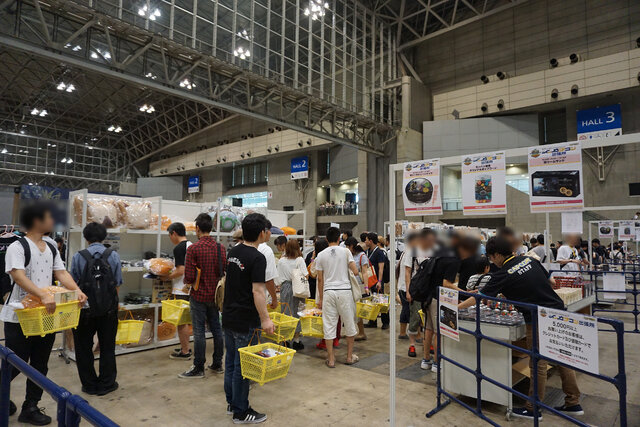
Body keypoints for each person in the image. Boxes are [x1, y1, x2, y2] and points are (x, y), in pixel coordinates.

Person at [458, 236, 583, 420]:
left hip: (538, 317)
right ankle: (573, 402)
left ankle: (533, 408)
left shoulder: (502, 273)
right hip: (558, 310)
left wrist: (454, 308)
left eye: (491, 257)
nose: (491, 262)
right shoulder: (529, 260)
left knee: (537, 364)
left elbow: (477, 299)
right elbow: (552, 284)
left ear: (498, 255)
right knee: (562, 356)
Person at [1, 202, 87, 425]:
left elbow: (61, 272)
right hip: (20, 316)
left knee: (40, 364)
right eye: (49, 217)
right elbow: (18, 276)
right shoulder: (17, 247)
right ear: (36, 220)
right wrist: (42, 293)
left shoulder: (50, 246)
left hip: (46, 315)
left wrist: (77, 290)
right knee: (16, 363)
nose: (53, 221)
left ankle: (30, 407)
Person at [222, 213, 275, 424]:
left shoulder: (233, 252)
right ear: (262, 233)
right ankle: (241, 412)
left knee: (232, 363)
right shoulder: (257, 257)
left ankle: (232, 403)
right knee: (244, 367)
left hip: (229, 315)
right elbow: (258, 292)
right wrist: (265, 319)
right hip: (245, 319)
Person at [70, 222, 123, 396]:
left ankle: (89, 384)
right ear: (104, 236)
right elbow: (117, 284)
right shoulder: (113, 255)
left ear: (86, 238)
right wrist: (113, 304)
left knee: (83, 347)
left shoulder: (78, 256)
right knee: (107, 346)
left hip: (83, 309)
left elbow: (73, 284)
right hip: (108, 310)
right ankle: (107, 383)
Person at [179, 213, 226, 379]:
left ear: (197, 228)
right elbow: (223, 271)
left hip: (198, 296)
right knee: (217, 330)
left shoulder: (193, 249)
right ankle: (217, 363)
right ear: (211, 228)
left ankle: (198, 367)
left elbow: (190, 277)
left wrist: (186, 283)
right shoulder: (221, 248)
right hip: (215, 296)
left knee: (199, 332)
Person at [316, 227, 360, 367]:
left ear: (327, 239)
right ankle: (349, 356)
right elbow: (355, 271)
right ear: (339, 238)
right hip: (344, 291)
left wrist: (321, 299)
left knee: (329, 325)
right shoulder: (346, 251)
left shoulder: (321, 255)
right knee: (349, 324)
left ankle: (331, 359)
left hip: (329, 292)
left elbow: (320, 280)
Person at [421, 232, 463, 373]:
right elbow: (446, 283)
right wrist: (463, 291)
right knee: (438, 332)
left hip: (429, 297)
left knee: (428, 329)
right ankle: (436, 363)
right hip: (439, 299)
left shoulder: (438, 256)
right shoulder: (453, 259)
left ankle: (425, 360)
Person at [160, 222, 192, 359]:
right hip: (191, 288)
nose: (170, 238)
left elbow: (180, 270)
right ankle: (186, 347)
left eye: (169, 235)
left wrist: (166, 277)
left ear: (173, 233)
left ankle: (185, 351)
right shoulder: (191, 245)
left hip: (181, 289)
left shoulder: (179, 248)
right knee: (187, 320)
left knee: (181, 321)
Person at [406, 228, 436, 359]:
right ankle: (412, 344)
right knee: (415, 318)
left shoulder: (434, 251)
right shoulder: (412, 250)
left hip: (430, 290)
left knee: (428, 319)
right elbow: (407, 272)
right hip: (417, 289)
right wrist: (408, 291)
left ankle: (427, 343)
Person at [276, 239, 308, 350]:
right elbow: (306, 275)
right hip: (298, 288)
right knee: (298, 313)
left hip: (285, 288)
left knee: (285, 313)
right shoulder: (299, 260)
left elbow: (278, 277)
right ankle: (297, 340)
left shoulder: (281, 261)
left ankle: (285, 340)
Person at [345, 236, 369, 341]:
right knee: (349, 310)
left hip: (358, 285)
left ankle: (362, 332)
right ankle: (350, 332)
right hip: (348, 285)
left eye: (347, 246)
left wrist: (366, 287)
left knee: (358, 310)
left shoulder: (362, 255)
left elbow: (365, 272)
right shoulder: (348, 254)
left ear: (351, 246)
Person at [364, 232, 389, 329]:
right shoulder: (367, 251)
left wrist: (379, 281)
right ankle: (372, 321)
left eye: (366, 240)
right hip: (371, 280)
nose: (365, 242)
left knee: (381, 301)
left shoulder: (379, 252)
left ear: (370, 241)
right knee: (373, 301)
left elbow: (381, 268)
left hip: (378, 280)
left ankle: (385, 322)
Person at [258, 220, 279, 310]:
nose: (270, 233)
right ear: (263, 232)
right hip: (259, 297)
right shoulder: (266, 250)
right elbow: (268, 279)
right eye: (270, 230)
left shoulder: (237, 247)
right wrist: (274, 298)